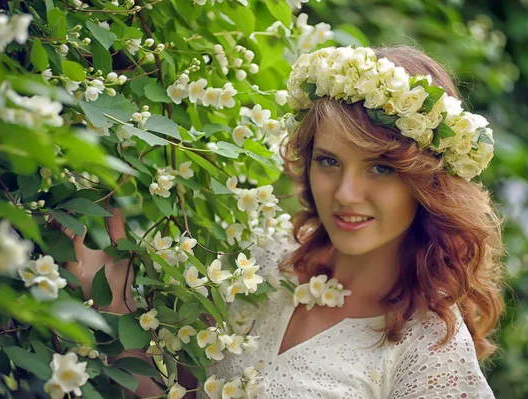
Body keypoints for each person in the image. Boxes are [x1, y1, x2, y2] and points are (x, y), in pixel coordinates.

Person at [67, 45, 504, 398]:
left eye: (380, 168)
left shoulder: (430, 351)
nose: (346, 193)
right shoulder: (257, 266)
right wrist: (112, 299)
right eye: (328, 161)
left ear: (427, 183)